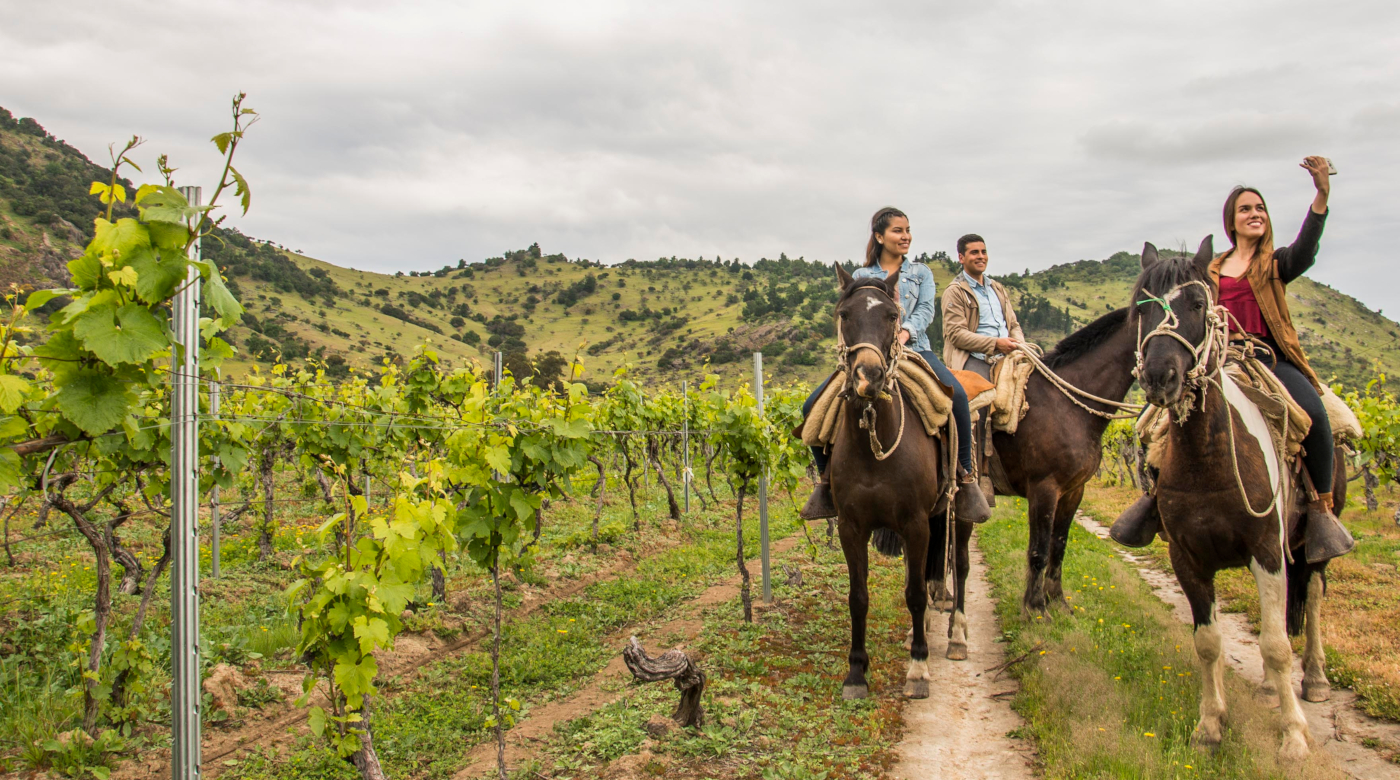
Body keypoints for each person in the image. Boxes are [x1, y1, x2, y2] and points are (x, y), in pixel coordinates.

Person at [1110, 156, 1354, 563]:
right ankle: (1156, 501)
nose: (1254, 214)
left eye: (1260, 208)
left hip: (1269, 359)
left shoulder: (1275, 263)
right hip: (1218, 360)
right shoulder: (1211, 268)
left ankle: (1320, 508)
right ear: (1231, 220)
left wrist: (1321, 195)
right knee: (1153, 424)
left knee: (1314, 414)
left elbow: (1307, 250)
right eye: (1246, 209)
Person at [800, 207, 991, 524]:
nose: (906, 236)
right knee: (812, 406)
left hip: (914, 350)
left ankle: (966, 478)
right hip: (869, 355)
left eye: (907, 230)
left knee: (956, 396)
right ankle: (826, 483)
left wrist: (903, 334)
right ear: (879, 236)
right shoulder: (861, 278)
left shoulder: (921, 273)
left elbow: (926, 311)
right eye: (898, 231)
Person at [942, 233, 1025, 380]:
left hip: (1008, 353)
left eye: (983, 252)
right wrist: (995, 344)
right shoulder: (955, 291)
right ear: (961, 258)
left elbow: (1013, 325)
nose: (981, 256)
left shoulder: (997, 288)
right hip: (975, 357)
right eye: (974, 252)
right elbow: (956, 334)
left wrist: (1020, 345)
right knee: (982, 397)